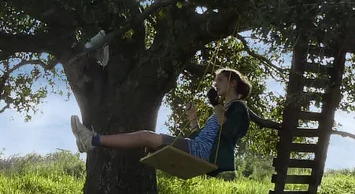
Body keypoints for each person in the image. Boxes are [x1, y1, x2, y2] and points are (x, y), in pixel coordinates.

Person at [70, 69, 253, 176]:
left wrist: (215, 104)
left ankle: (93, 140)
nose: (215, 84)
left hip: (205, 154)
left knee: (147, 137)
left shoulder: (238, 108)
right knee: (148, 141)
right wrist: (192, 118)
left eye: (220, 80)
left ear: (233, 83)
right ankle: (92, 141)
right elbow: (201, 135)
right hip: (197, 147)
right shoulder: (222, 110)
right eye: (215, 81)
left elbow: (227, 131)